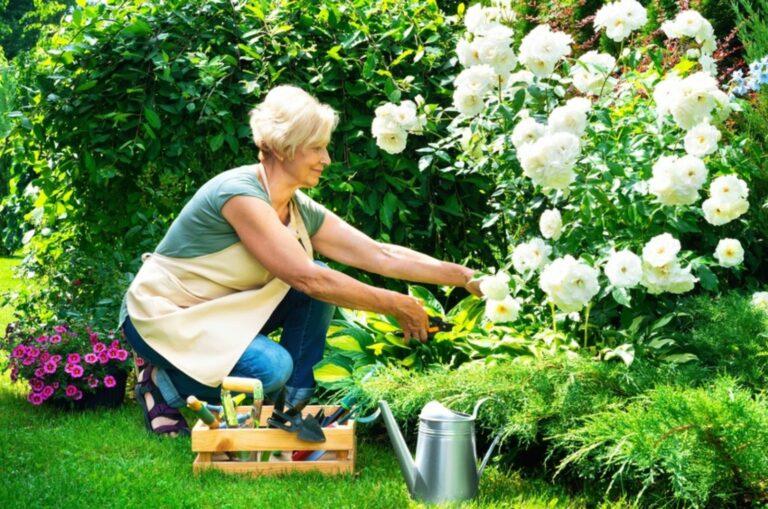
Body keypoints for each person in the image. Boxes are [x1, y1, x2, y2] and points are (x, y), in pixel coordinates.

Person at [120, 85, 482, 436]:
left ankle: (289, 410)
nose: (326, 159)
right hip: (166, 315)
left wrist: (465, 277)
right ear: (283, 147)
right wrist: (396, 304)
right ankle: (161, 382)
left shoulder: (295, 206)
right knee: (270, 368)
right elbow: (308, 279)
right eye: (317, 148)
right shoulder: (238, 195)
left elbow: (379, 253)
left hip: (222, 316)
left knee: (319, 284)